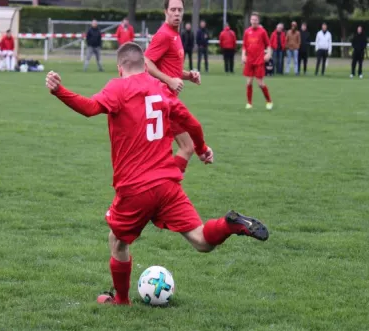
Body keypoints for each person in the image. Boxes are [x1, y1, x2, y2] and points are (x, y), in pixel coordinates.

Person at [45, 42, 269, 306]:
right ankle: (229, 225)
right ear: (144, 65)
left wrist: (60, 91)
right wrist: (202, 148)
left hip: (135, 188)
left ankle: (122, 301)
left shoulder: (117, 87)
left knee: (117, 241)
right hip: (167, 184)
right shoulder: (161, 88)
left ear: (120, 67)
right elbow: (193, 124)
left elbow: (90, 108)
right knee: (201, 241)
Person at [144, 0, 201, 175]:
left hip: (167, 100)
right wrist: (169, 81)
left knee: (163, 153)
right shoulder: (164, 35)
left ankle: (166, 192)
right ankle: (172, 192)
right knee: (187, 146)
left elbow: (170, 68)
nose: (177, 13)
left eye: (180, 10)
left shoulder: (175, 35)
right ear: (165, 12)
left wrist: (188, 75)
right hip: (163, 100)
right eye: (173, 10)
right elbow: (146, 62)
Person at [243, 13, 273, 110]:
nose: (254, 21)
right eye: (252, 19)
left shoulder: (262, 32)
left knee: (260, 83)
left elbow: (268, 44)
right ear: (250, 21)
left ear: (258, 21)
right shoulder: (247, 32)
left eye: (255, 20)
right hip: (250, 61)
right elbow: (244, 46)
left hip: (259, 61)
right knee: (249, 82)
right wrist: (243, 55)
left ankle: (269, 101)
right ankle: (249, 103)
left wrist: (268, 53)